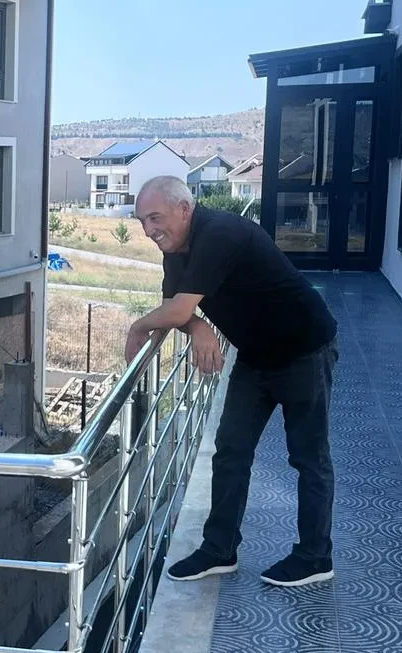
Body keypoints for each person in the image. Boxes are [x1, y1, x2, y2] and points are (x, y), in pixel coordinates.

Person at [123, 176, 339, 587]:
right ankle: (219, 549)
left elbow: (174, 311)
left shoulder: (220, 233)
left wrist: (138, 326)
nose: (149, 231)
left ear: (184, 209)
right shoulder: (176, 251)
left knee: (309, 457)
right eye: (142, 221)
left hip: (305, 350)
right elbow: (176, 308)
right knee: (230, 451)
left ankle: (315, 557)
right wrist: (198, 326)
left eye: (155, 218)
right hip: (256, 357)